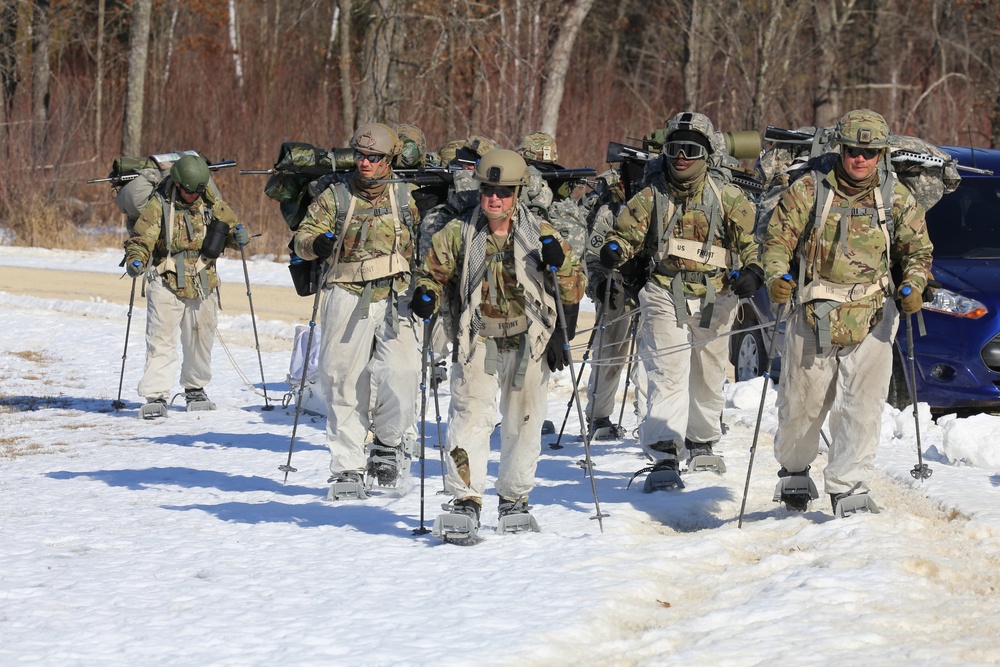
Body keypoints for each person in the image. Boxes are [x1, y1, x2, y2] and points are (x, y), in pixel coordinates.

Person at [762, 109, 933, 514]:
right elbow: (776, 242)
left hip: (873, 315)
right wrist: (776, 277)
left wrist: (915, 285)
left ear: (881, 154)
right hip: (813, 314)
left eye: (870, 152)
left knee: (862, 406)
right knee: (801, 406)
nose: (860, 159)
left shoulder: (897, 198)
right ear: (841, 149)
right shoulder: (808, 191)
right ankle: (794, 471)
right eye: (853, 150)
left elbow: (918, 251)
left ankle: (849, 484)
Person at [412, 148, 586, 531]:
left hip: (528, 341)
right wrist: (426, 294)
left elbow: (572, 290)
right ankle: (465, 498)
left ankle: (514, 498)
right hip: (476, 339)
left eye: (504, 191)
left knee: (524, 422)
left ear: (518, 193)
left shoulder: (541, 233)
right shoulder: (458, 232)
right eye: (488, 189)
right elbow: (431, 274)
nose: (494, 198)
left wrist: (561, 265)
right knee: (469, 420)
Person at [599, 111, 761, 488]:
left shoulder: (728, 197)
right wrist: (613, 251)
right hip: (664, 290)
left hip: (715, 295)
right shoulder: (651, 196)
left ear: (706, 155)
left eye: (691, 150)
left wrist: (754, 270)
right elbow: (626, 235)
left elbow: (751, 243)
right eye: (674, 149)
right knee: (667, 371)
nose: (681, 158)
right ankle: (664, 454)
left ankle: (702, 441)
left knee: (708, 372)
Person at [291, 122, 421, 499]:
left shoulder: (405, 196)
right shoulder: (336, 196)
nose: (365, 163)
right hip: (346, 293)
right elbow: (301, 237)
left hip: (396, 295)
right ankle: (347, 466)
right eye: (361, 156)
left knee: (404, 372)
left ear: (390, 160)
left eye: (375, 158)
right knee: (341, 379)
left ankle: (388, 443)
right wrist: (317, 242)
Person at [123, 154, 248, 419]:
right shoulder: (159, 205)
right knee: (160, 340)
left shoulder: (211, 203)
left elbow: (229, 230)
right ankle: (156, 395)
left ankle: (196, 388)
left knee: (201, 339)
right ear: (177, 184)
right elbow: (141, 238)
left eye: (198, 191)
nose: (193, 196)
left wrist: (238, 236)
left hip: (203, 282)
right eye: (189, 191)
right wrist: (136, 259)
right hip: (166, 281)